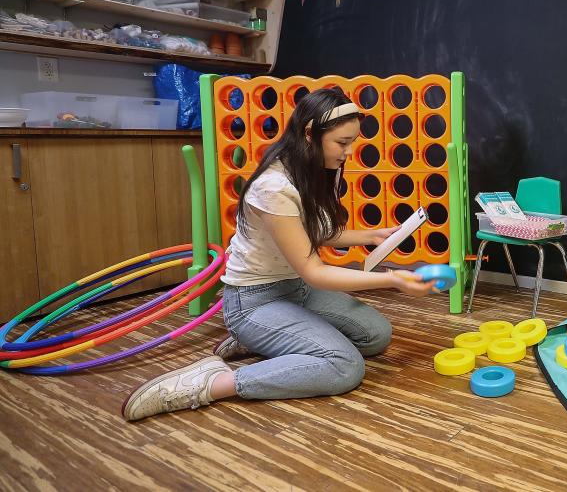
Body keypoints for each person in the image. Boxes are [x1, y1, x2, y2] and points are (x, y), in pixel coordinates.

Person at [123, 87, 435, 421]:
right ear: (309, 135)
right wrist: (392, 280)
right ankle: (213, 382)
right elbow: (315, 272)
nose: (349, 151)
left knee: (376, 335)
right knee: (344, 366)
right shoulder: (274, 187)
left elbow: (311, 232)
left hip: (295, 290)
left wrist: (370, 235)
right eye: (342, 143)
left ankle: (265, 343)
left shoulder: (310, 170)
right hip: (254, 301)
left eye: (353, 141)